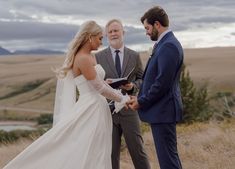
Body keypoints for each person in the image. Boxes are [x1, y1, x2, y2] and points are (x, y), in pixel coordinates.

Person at [3, 20, 130, 169]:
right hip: (91, 109)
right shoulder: (82, 58)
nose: (101, 42)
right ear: (89, 37)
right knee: (90, 149)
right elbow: (99, 88)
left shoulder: (90, 56)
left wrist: (107, 82)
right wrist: (122, 98)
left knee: (98, 148)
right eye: (100, 38)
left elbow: (97, 82)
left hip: (97, 106)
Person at [128, 6, 184, 169]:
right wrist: (139, 97)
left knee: (168, 162)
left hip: (164, 112)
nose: (146, 32)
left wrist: (141, 101)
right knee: (168, 158)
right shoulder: (165, 44)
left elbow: (161, 84)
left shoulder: (169, 46)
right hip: (162, 111)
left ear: (157, 24)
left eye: (147, 28)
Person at [95, 19, 151, 169]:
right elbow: (94, 83)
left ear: (123, 33)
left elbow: (143, 80)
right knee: (111, 154)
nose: (113, 34)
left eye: (116, 30)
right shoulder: (98, 57)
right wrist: (103, 83)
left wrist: (132, 86)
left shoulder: (134, 56)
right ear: (106, 35)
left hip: (129, 108)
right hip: (108, 111)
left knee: (137, 151)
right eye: (110, 32)